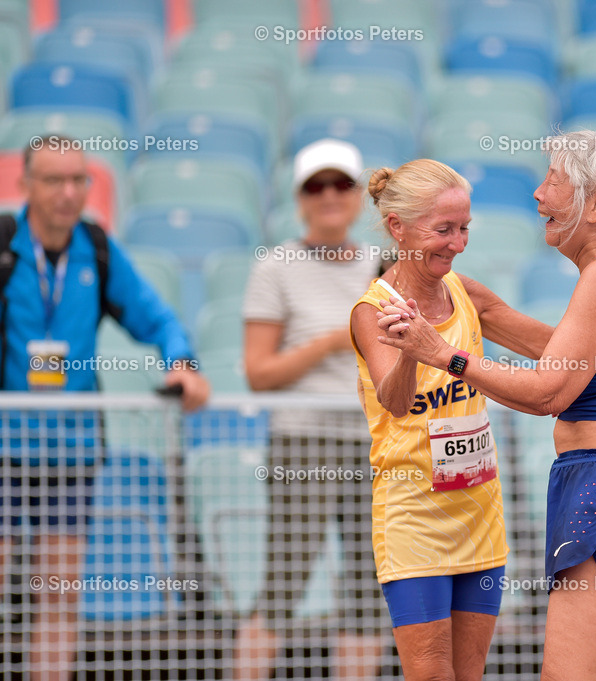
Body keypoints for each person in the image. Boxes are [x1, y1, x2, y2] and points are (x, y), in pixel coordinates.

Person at [377, 130, 596, 681]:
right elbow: (583, 357)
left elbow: (547, 392)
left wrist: (443, 354)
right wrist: (482, 309)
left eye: (553, 180)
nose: (538, 193)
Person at [0, 136, 210, 681]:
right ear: (26, 184)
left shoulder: (96, 248)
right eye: (54, 180)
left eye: (79, 179)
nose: (69, 192)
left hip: (71, 450)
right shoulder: (4, 245)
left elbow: (156, 317)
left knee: (59, 596)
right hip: (4, 444)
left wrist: (182, 362)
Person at [349, 159, 553, 681]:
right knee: (432, 675)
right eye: (443, 230)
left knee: (470, 673)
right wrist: (414, 351)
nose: (458, 244)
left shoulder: (467, 293)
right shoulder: (373, 311)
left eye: (464, 228)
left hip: (479, 514)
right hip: (414, 517)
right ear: (398, 227)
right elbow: (395, 402)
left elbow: (552, 348)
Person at [235, 139, 383, 680]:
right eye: (316, 186)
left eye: (341, 184)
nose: (329, 196)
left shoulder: (385, 264)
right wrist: (331, 342)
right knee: (284, 582)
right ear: (300, 199)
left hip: (376, 440)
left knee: (370, 589)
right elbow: (258, 373)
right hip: (304, 439)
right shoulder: (275, 267)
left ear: (358, 196)